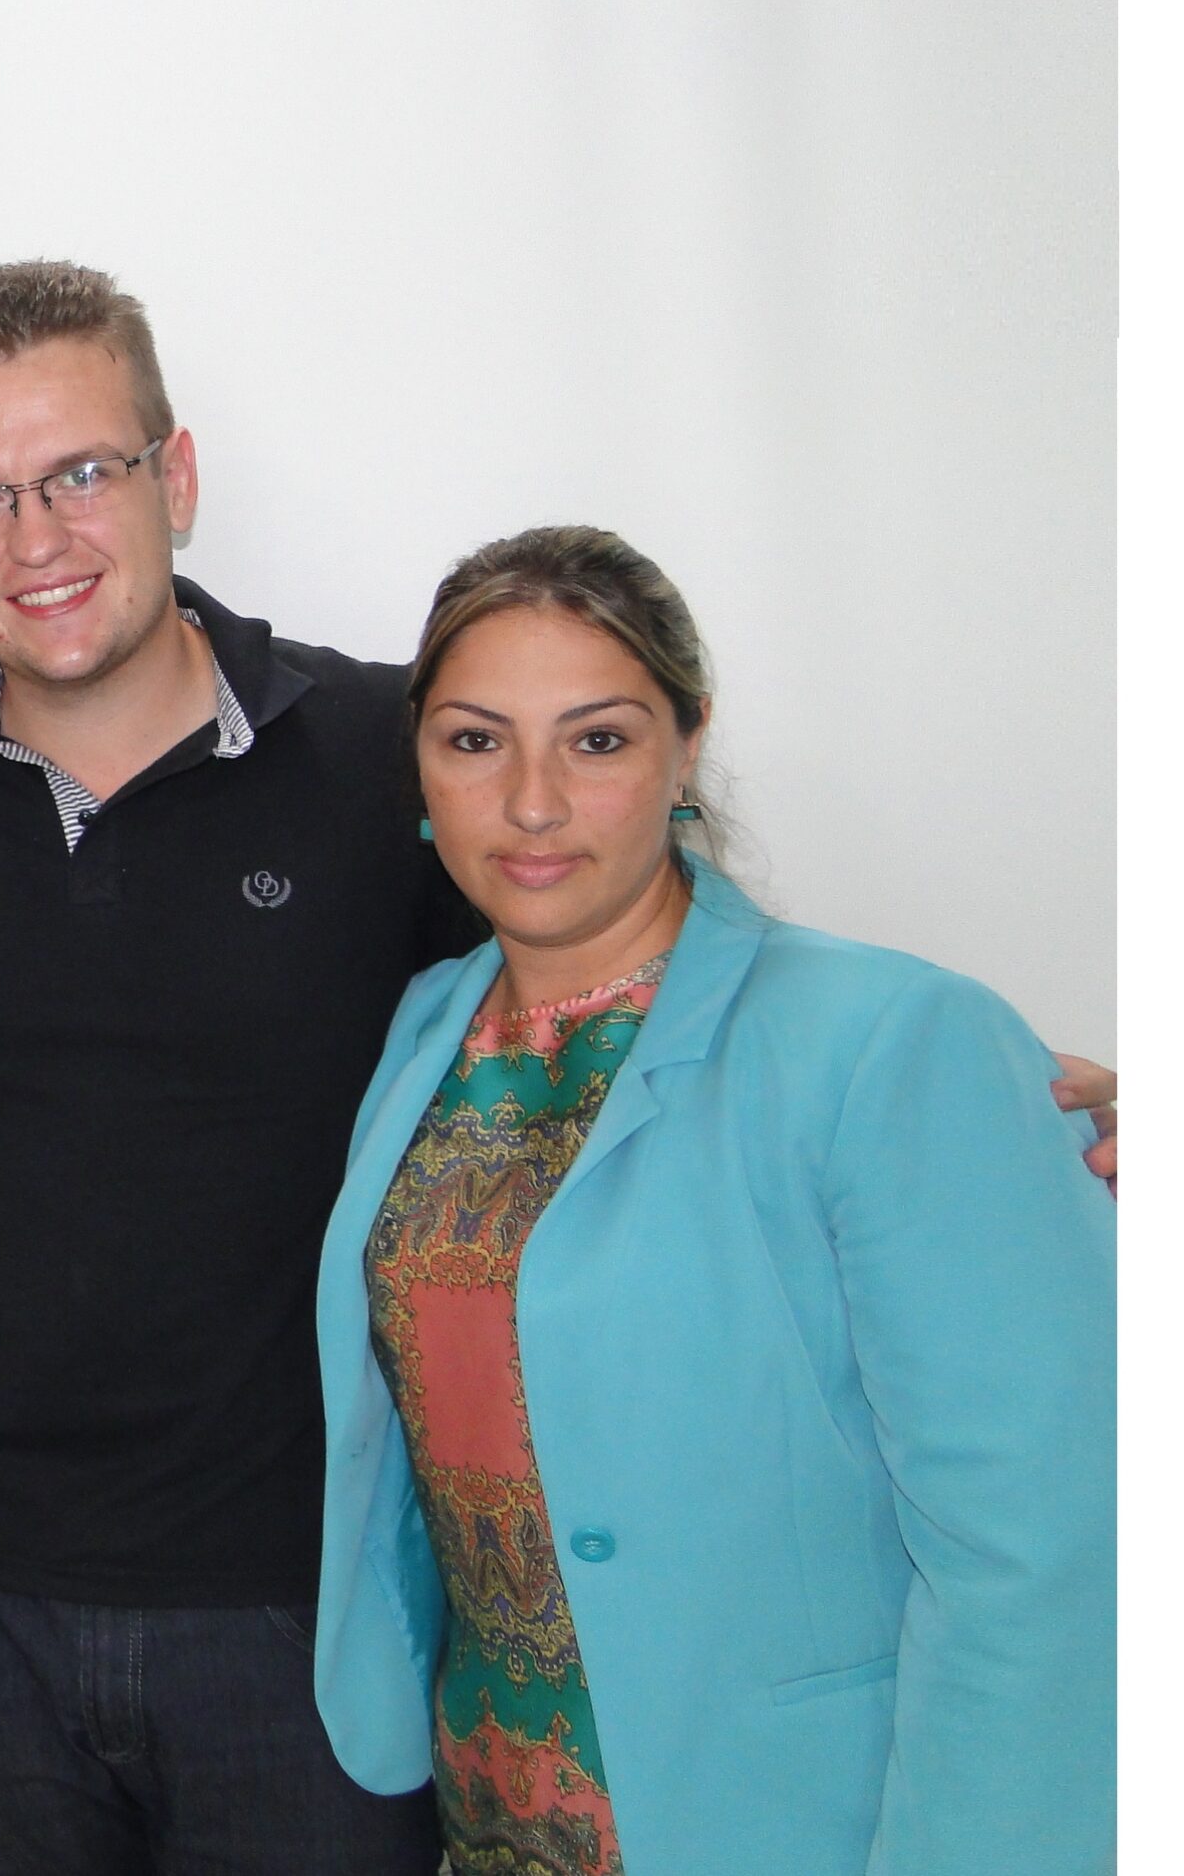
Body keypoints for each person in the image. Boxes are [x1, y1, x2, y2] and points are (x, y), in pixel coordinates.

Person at [0, 260, 1117, 1876]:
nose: (35, 537)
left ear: (175, 476)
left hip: (313, 1600)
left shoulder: (389, 744)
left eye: (81, 474)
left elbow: (630, 969)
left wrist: (992, 1101)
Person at [310, 526, 1114, 1874]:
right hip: (498, 1808)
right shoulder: (425, 1028)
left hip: (795, 1819)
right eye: (474, 740)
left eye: (599, 739)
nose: (532, 802)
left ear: (687, 746)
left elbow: (1042, 1553)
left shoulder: (890, 1038)